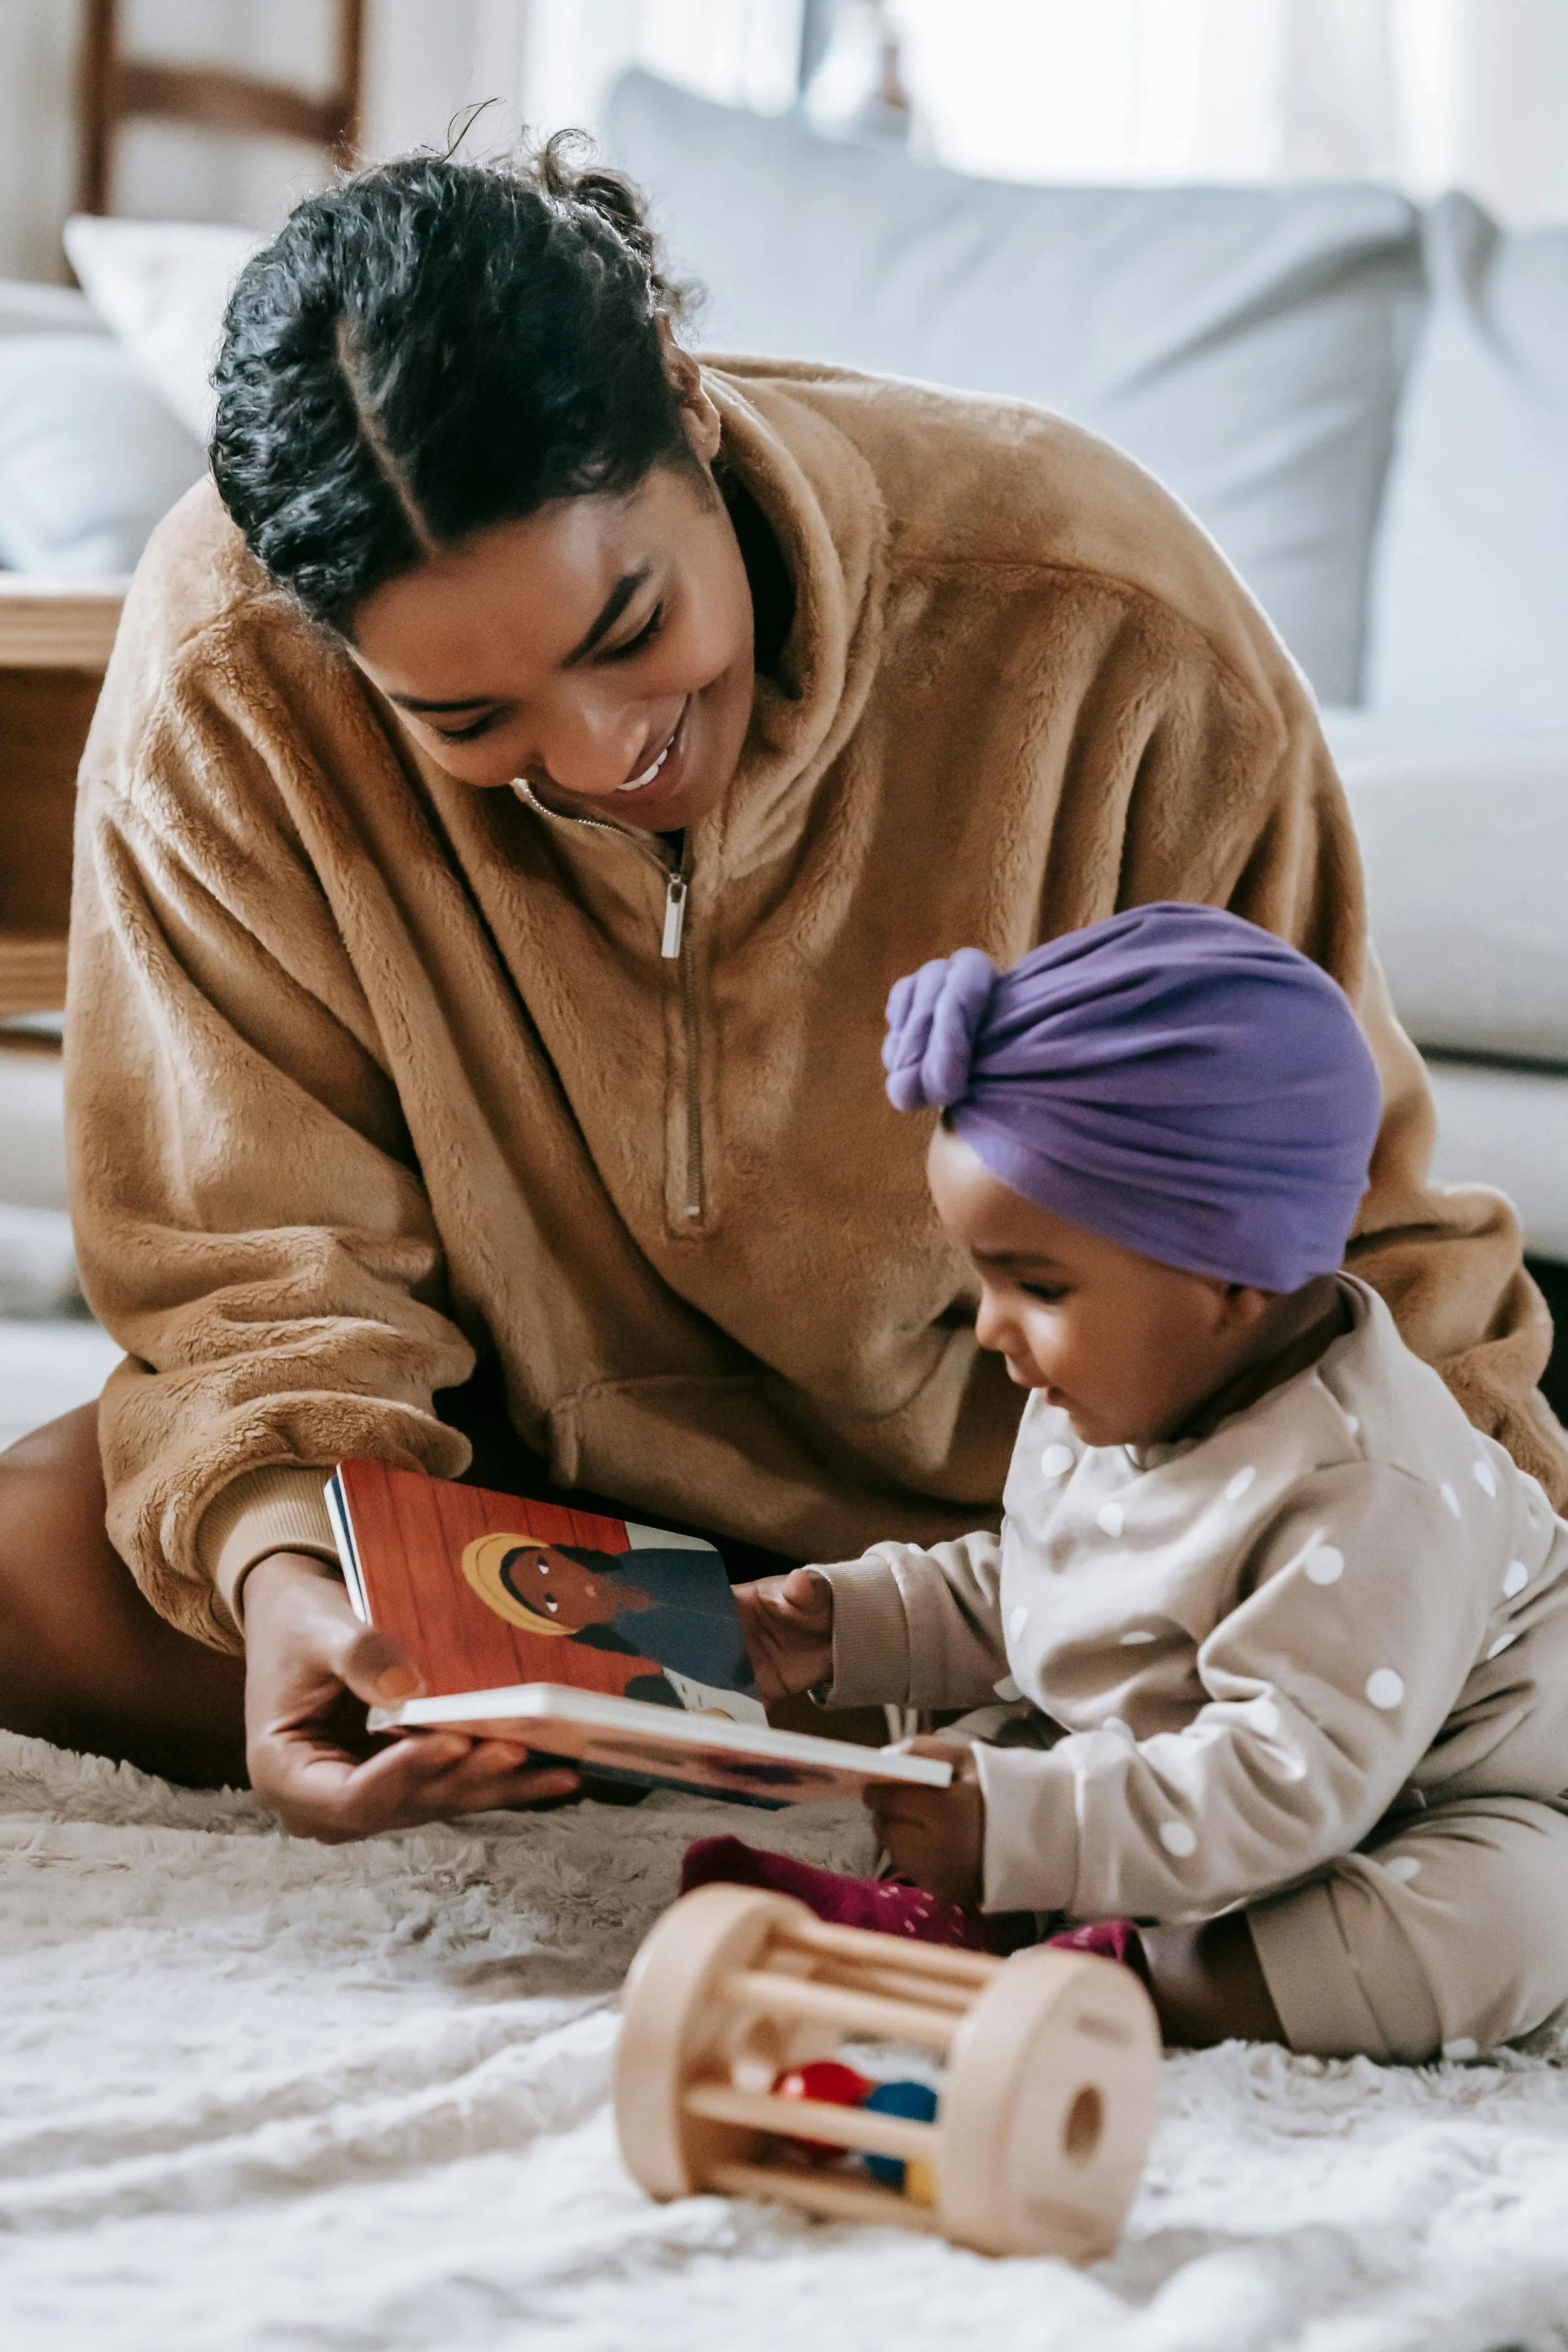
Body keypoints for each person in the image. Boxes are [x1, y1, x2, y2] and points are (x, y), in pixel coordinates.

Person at [1, 141, 1560, 1843]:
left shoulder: (1098, 617)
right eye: (470, 721)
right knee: (41, 1561)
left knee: (1381, 1685)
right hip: (513, 1522)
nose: (604, 757)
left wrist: (1481, 1601)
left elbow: (1343, 1222)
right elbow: (245, 1264)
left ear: (688, 402)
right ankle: (735, 1725)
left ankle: (942, 1720)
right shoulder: (236, 668)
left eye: (627, 625)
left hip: (1038, 1527)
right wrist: (294, 1567)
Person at [716, 907, 1568, 2058]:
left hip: (1424, 1799)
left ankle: (1132, 1979)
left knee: (1503, 1923)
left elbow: (1286, 1779)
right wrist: (847, 1624)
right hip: (1205, 1765)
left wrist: (1031, 1824)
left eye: (1039, 1286)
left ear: (1234, 1277)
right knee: (1009, 1730)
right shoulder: (1123, 1385)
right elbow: (1049, 1585)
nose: (990, 1327)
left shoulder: (1373, 1489)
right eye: (986, 1277)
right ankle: (960, 1915)